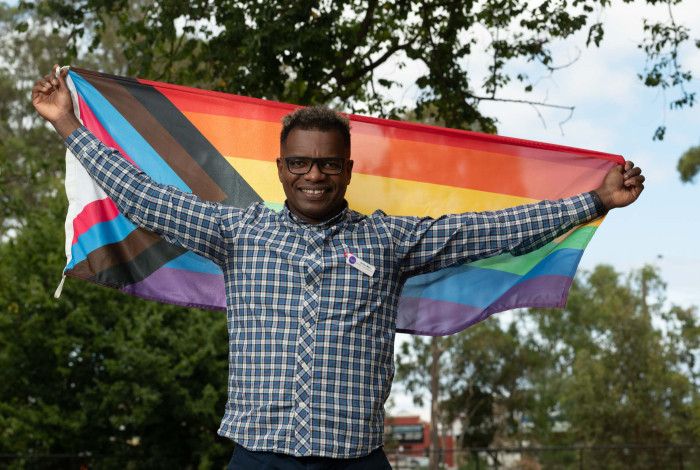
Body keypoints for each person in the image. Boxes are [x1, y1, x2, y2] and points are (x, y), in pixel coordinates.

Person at [33, 65, 644, 469]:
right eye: (300, 164)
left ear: (348, 170)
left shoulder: (389, 241)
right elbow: (144, 198)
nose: (314, 175)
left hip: (354, 458)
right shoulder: (238, 231)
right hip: (257, 455)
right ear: (281, 169)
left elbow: (487, 231)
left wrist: (592, 201)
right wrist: (67, 122)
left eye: (327, 164)